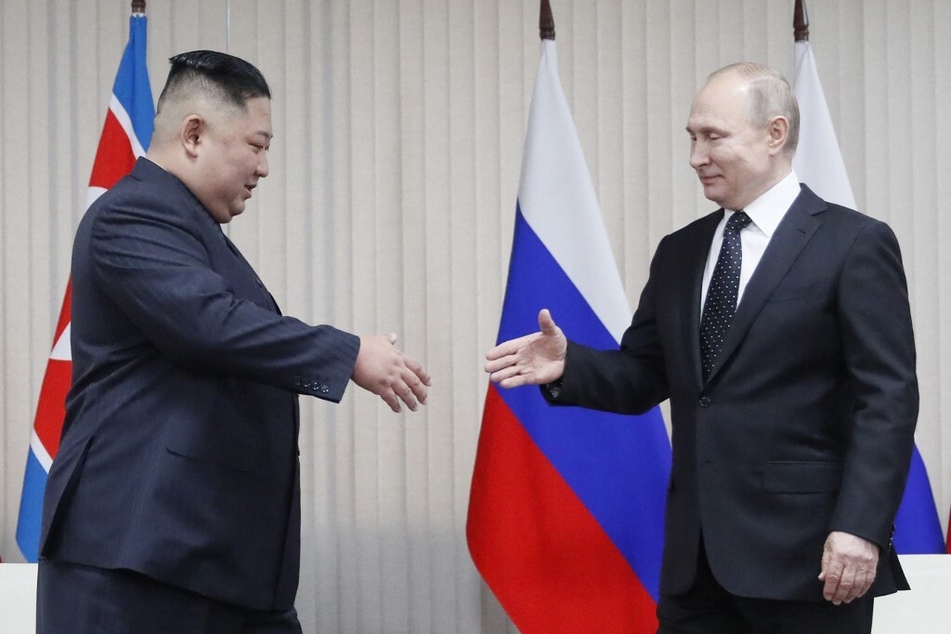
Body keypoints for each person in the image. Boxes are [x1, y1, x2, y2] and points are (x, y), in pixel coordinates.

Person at [486, 62, 917, 633]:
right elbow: (644, 376)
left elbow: (886, 399)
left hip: (809, 559)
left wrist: (861, 526)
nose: (695, 156)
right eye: (692, 136)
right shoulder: (681, 252)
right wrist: (572, 365)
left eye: (713, 136)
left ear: (775, 134)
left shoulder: (854, 243)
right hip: (696, 566)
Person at [36, 50, 431, 634]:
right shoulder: (134, 213)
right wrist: (349, 354)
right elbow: (209, 325)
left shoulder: (193, 230)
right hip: (136, 563)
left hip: (209, 562)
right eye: (257, 143)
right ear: (193, 135)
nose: (265, 166)